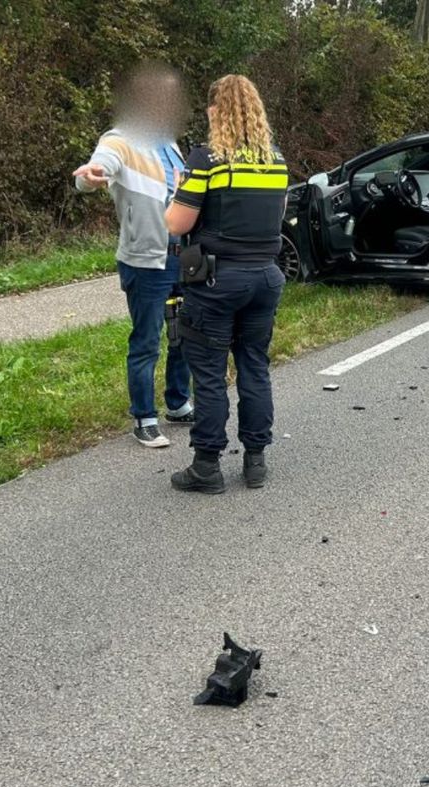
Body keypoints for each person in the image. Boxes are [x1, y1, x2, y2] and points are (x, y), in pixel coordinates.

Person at [165, 74, 289, 494]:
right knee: (255, 365)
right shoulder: (276, 161)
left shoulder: (207, 161)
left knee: (211, 373)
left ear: (217, 112)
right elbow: (277, 214)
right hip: (266, 278)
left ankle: (206, 467)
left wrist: (178, 193)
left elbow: (177, 223)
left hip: (217, 280)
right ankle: (255, 461)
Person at [74, 62, 193, 449]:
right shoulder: (119, 139)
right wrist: (89, 176)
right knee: (147, 340)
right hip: (145, 260)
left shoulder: (172, 144)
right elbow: (94, 172)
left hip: (182, 254)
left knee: (183, 336)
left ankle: (177, 403)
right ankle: (144, 416)